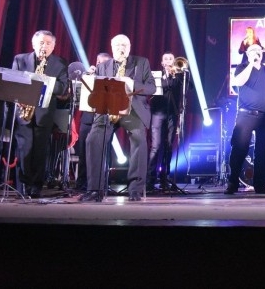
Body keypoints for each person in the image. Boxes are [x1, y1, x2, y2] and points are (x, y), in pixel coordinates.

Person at [79, 34, 156, 202]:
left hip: (132, 110)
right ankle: (95, 189)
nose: (121, 48)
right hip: (108, 109)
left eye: (124, 45)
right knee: (92, 139)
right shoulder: (102, 66)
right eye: (118, 45)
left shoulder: (141, 62)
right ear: (112, 47)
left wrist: (131, 83)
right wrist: (89, 78)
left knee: (139, 140)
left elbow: (152, 88)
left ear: (129, 48)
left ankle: (135, 189)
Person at [11, 30, 69, 198]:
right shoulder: (20, 59)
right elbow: (13, 82)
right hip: (23, 110)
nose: (44, 46)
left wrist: (45, 81)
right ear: (33, 44)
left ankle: (36, 186)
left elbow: (63, 88)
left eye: (48, 43)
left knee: (40, 151)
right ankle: (23, 185)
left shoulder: (60, 63)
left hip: (44, 113)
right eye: (41, 43)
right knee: (24, 148)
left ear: (54, 46)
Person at [223, 43, 265, 195]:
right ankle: (233, 183)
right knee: (240, 148)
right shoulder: (242, 67)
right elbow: (238, 82)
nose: (257, 52)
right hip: (246, 115)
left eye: (259, 50)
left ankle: (260, 185)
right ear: (247, 54)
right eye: (253, 50)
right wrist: (251, 64)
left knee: (262, 150)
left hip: (263, 115)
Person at [147, 51, 185, 192]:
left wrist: (178, 73)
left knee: (169, 146)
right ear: (162, 63)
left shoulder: (179, 76)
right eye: (166, 59)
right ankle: (150, 179)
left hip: (172, 114)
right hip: (158, 113)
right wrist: (166, 75)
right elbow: (158, 88)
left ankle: (165, 179)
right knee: (156, 146)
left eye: (171, 59)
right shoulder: (157, 76)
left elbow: (189, 87)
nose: (168, 61)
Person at [73, 52, 110, 191]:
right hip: (88, 118)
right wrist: (87, 75)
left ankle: (102, 183)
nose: (100, 65)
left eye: (104, 63)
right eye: (99, 62)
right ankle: (81, 182)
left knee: (102, 153)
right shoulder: (88, 75)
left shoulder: (111, 78)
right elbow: (78, 92)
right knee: (84, 152)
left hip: (103, 119)